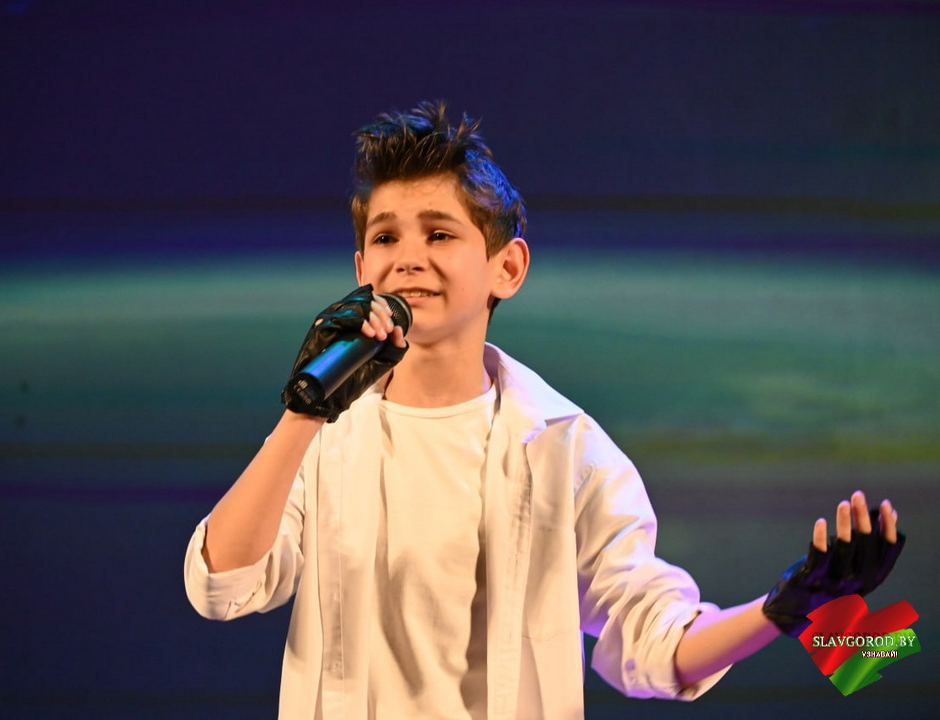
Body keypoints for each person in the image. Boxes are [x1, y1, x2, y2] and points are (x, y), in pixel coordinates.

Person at [184, 101, 904, 719]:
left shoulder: (568, 448)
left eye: (439, 233)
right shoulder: (318, 435)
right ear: (360, 270)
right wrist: (304, 411)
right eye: (385, 237)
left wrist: (782, 609)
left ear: (508, 268)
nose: (408, 257)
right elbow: (222, 586)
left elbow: (655, 643)